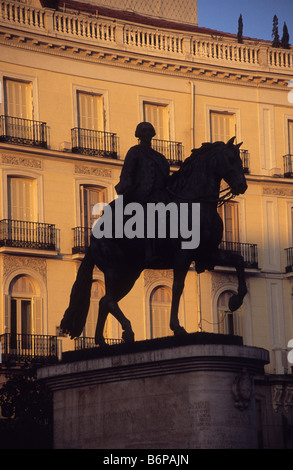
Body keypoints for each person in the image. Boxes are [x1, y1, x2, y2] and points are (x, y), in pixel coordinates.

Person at [115, 122, 170, 204]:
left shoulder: (160, 157)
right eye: (144, 131)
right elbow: (127, 174)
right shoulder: (135, 152)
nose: (147, 133)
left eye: (149, 131)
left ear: (152, 134)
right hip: (140, 196)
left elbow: (166, 178)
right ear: (138, 134)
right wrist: (128, 191)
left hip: (159, 197)